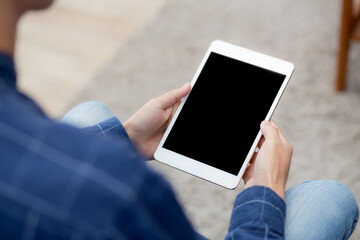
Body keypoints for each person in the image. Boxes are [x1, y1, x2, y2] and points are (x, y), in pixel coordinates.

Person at [0, 0, 358, 239]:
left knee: (92, 114)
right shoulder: (122, 184)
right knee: (330, 196)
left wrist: (125, 137)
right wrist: (265, 190)